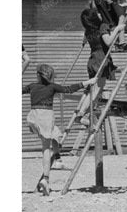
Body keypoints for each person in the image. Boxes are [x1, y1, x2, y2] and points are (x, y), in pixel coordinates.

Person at [25, 64, 89, 195]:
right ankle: (46, 179)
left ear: (38, 75)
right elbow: (69, 89)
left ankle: (58, 159)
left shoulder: (32, 86)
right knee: (45, 148)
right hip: (46, 116)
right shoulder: (52, 87)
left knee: (56, 134)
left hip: (34, 116)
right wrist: (86, 82)